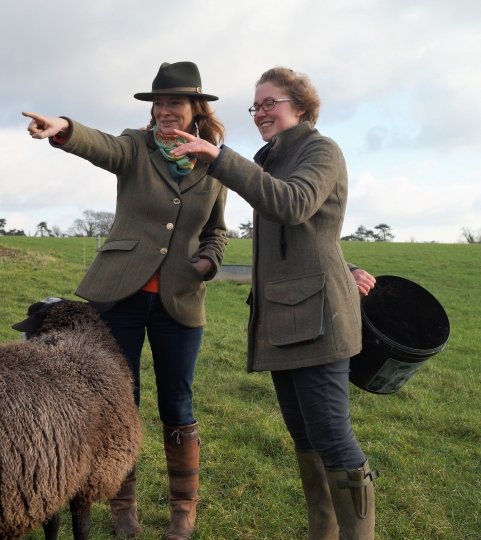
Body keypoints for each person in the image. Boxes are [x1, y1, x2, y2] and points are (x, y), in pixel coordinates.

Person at [171, 67, 379, 539]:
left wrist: (222, 158)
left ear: (301, 107)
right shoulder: (272, 159)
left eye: (271, 103)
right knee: (305, 440)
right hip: (283, 319)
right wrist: (344, 266)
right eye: (256, 105)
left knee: (331, 436)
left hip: (320, 321)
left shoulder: (320, 150)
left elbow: (294, 205)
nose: (260, 112)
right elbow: (311, 235)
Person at [23, 61, 227, 540]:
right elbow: (102, 147)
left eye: (173, 103)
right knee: (120, 402)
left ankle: (182, 511)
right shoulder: (136, 147)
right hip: (121, 297)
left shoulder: (216, 162)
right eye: (157, 104)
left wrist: (209, 262)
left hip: (181, 300)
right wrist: (65, 130)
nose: (163, 111)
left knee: (177, 403)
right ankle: (122, 506)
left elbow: (217, 230)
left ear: (195, 107)